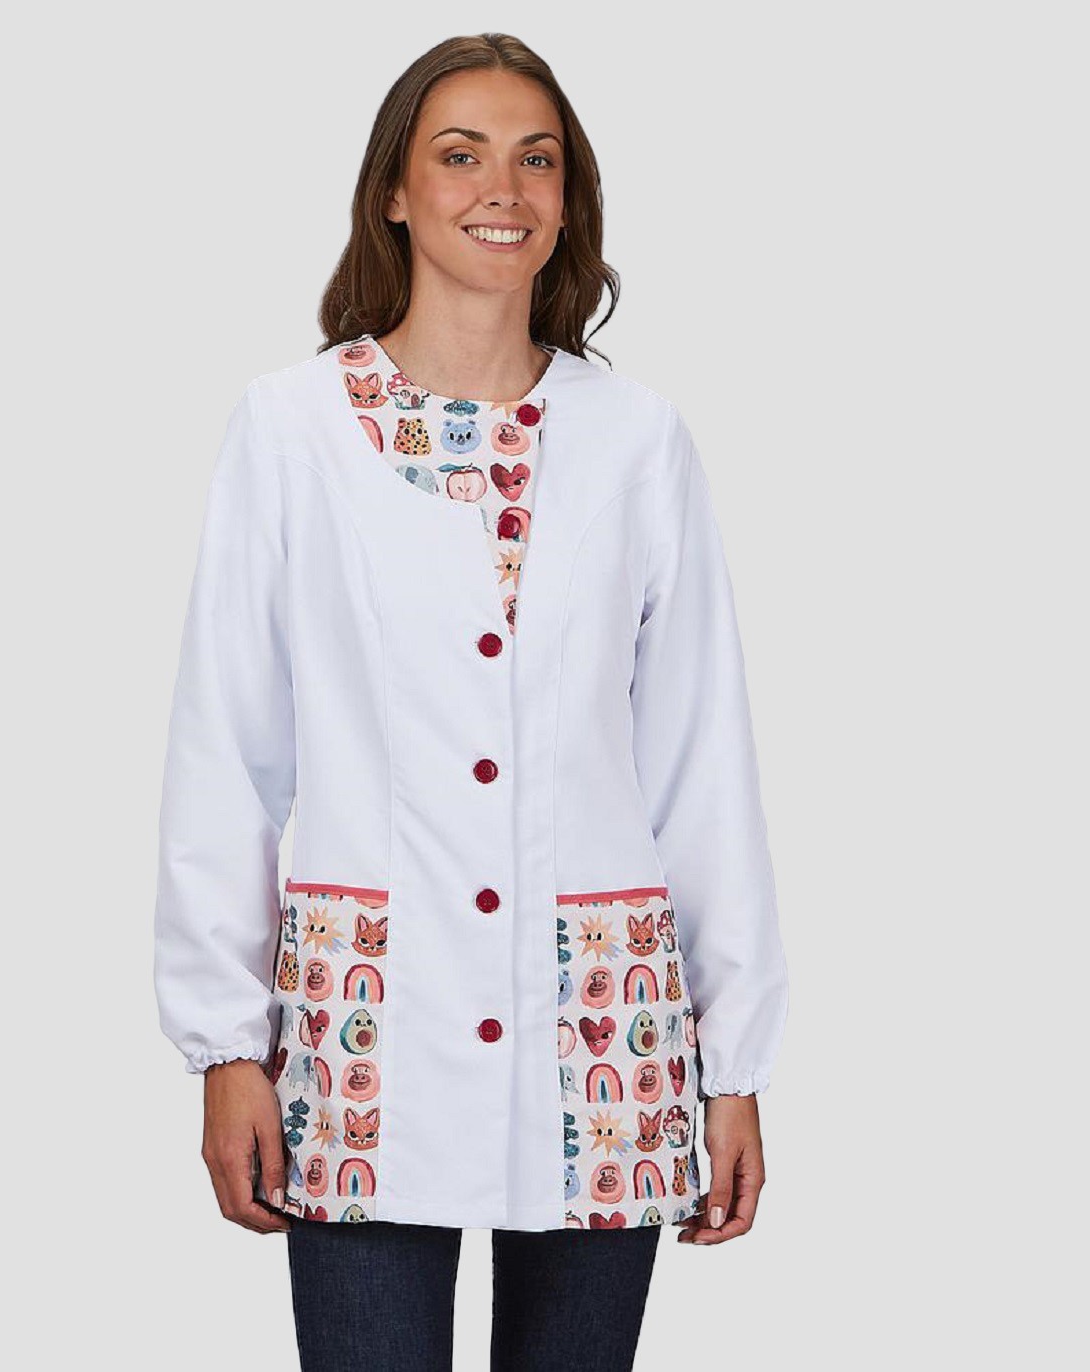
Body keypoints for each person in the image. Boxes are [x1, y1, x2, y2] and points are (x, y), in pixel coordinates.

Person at [153, 31, 789, 1372]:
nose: (503, 188)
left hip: (607, 1029)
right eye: (461, 155)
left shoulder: (637, 441)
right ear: (394, 190)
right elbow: (229, 748)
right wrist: (225, 1044)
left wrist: (731, 1062)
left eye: (536, 159)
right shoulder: (291, 431)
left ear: (568, 197)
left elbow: (700, 764)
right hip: (361, 1037)